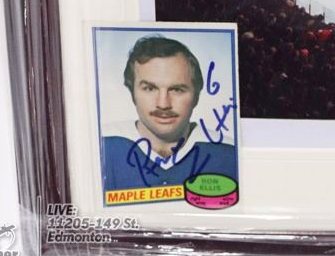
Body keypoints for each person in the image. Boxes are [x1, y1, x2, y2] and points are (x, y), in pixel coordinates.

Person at [100, 35, 237, 193]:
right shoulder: (99, 145)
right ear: (132, 92)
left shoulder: (230, 153)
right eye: (150, 88)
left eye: (177, 89)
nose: (163, 104)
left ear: (196, 96)